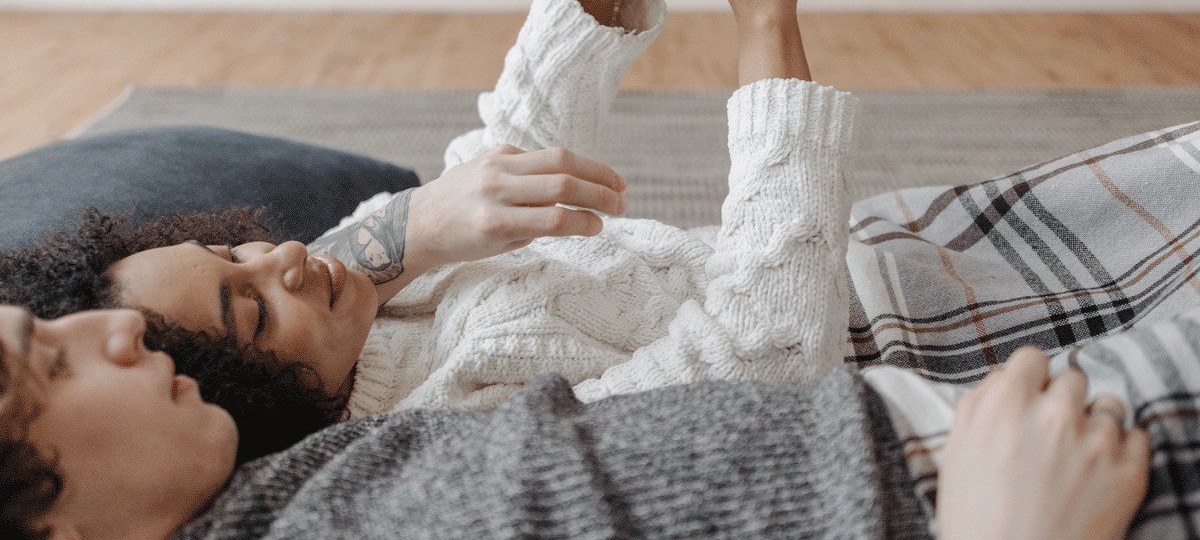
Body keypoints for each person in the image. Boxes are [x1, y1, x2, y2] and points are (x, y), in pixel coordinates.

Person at [2, 0, 858, 431]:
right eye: (253, 309)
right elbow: (763, 357)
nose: (283, 255)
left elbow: (499, 173)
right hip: (837, 320)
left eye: (233, 252)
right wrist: (766, 22)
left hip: (817, 257)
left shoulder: (347, 288)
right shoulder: (447, 415)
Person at [0, 304, 1153, 540]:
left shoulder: (265, 491)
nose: (116, 325)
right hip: (1006, 493)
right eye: (47, 363)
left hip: (961, 422)